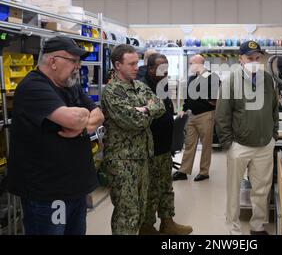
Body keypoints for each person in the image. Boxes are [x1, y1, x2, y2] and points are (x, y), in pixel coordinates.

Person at [7, 36, 105, 235]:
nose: (78, 66)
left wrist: (81, 126)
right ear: (53, 61)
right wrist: (83, 117)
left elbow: (99, 115)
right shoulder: (33, 86)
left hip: (75, 188)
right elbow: (76, 118)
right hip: (49, 195)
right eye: (73, 61)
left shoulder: (71, 85)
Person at [215, 41, 279, 235]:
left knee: (261, 190)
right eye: (250, 58)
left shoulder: (268, 80)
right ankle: (234, 229)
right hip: (239, 146)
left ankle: (257, 226)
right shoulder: (231, 81)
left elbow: (273, 109)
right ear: (240, 59)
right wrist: (228, 144)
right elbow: (222, 115)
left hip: (264, 145)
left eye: (257, 58)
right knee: (234, 191)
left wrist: (273, 135)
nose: (254, 61)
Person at [101, 44, 165, 235]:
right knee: (126, 213)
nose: (137, 67)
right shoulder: (112, 91)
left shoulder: (139, 86)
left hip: (142, 157)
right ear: (118, 65)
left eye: (137, 63)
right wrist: (145, 112)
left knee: (139, 210)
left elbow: (160, 106)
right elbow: (133, 121)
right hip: (122, 160)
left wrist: (145, 109)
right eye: (131, 64)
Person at [137, 53, 193, 235]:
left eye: (167, 68)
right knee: (151, 190)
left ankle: (167, 223)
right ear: (150, 68)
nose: (165, 72)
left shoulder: (163, 83)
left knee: (166, 187)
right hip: (151, 148)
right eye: (161, 68)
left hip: (164, 146)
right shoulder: (142, 86)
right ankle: (146, 227)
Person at [172, 55, 220, 182]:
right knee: (189, 144)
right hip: (192, 115)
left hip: (206, 115)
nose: (190, 65)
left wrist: (212, 102)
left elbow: (218, 94)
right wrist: (183, 108)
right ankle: (183, 171)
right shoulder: (192, 78)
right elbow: (188, 97)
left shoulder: (211, 77)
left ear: (199, 63)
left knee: (206, 145)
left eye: (191, 63)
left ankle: (204, 172)